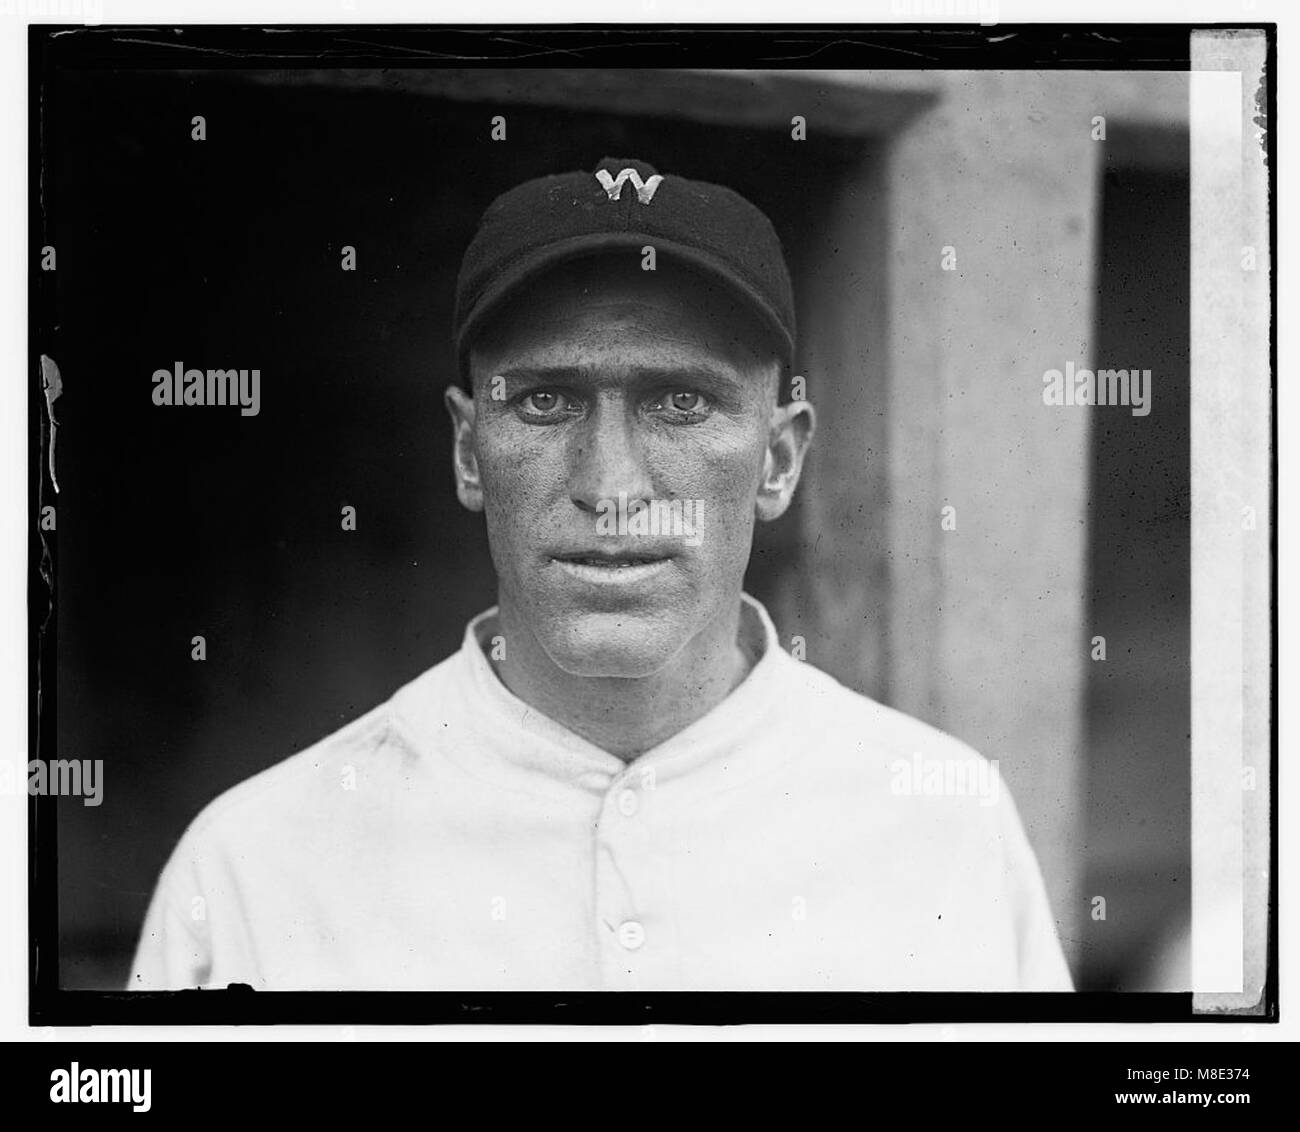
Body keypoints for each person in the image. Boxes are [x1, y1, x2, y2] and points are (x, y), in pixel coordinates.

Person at [129, 157, 1072, 991]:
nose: (612, 488)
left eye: (682, 402)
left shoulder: (940, 825)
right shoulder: (257, 865)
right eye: (545, 402)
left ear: (778, 460)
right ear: (469, 450)